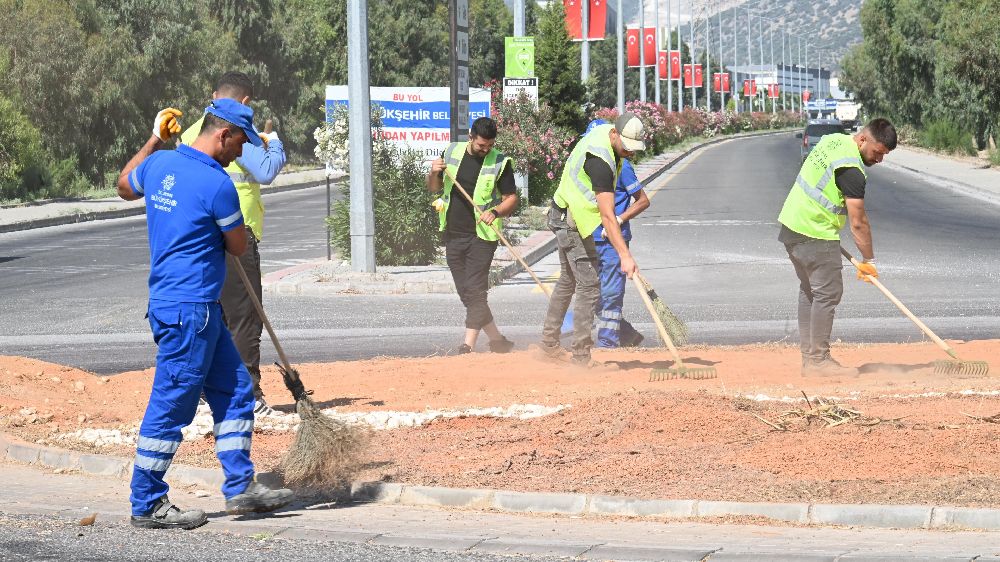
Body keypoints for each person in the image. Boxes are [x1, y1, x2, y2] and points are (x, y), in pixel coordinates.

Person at [116, 98, 293, 530]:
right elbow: (237, 246)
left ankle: (240, 488)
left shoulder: (158, 165)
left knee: (235, 388)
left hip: (191, 307)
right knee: (171, 405)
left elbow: (123, 183)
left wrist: (156, 137)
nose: (241, 152)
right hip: (189, 311)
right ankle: (147, 502)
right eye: (240, 143)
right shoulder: (218, 185)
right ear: (223, 134)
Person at [179, 72, 287, 418]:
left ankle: (205, 393)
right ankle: (248, 394)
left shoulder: (192, 130)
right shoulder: (235, 134)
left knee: (215, 316)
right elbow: (267, 170)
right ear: (243, 104)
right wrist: (274, 141)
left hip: (200, 236)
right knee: (244, 319)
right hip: (236, 235)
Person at [777, 118, 897, 377]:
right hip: (814, 233)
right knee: (828, 293)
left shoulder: (834, 140)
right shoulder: (852, 169)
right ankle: (818, 361)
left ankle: (809, 360)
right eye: (878, 152)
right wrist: (869, 260)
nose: (879, 160)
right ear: (863, 139)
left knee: (810, 292)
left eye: (884, 155)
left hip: (792, 225)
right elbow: (858, 222)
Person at [540, 113, 646, 366]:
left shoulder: (605, 135)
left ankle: (548, 345)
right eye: (627, 148)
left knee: (568, 280)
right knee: (589, 285)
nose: (630, 153)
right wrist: (625, 256)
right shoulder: (600, 161)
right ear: (615, 135)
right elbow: (609, 217)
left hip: (571, 214)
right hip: (570, 220)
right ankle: (580, 356)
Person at [428, 117, 518, 354]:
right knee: (465, 292)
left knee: (475, 289)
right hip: (453, 234)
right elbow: (434, 188)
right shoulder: (451, 152)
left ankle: (468, 345)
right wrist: (433, 173)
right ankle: (498, 341)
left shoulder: (500, 161)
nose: (485, 150)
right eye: (481, 146)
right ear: (470, 137)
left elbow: (511, 198)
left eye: (489, 146)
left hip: (482, 236)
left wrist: (495, 211)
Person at [585, 120, 650, 349]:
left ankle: (608, 343)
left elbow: (643, 200)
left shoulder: (621, 167)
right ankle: (626, 334)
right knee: (591, 294)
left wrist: (620, 219)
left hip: (614, 239)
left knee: (611, 293)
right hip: (588, 236)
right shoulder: (589, 163)